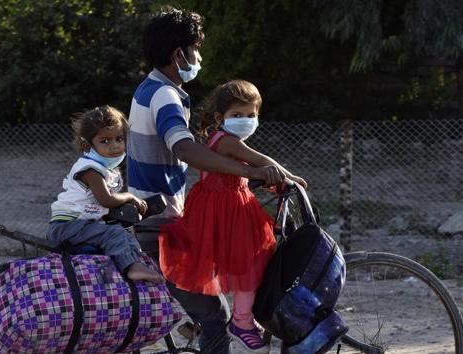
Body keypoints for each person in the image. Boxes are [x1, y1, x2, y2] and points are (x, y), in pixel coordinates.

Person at [127, 7, 285, 354]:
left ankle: (190, 326)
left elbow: (205, 148)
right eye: (196, 48)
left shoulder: (151, 89)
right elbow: (185, 149)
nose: (199, 57)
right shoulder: (164, 96)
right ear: (178, 54)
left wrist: (258, 169)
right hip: (157, 225)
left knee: (210, 289)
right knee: (217, 314)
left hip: (160, 216)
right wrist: (253, 172)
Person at [159, 80, 307, 354]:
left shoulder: (225, 139)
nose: (246, 120)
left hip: (226, 207)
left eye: (251, 115)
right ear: (220, 118)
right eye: (237, 115)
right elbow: (260, 160)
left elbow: (254, 168)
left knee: (244, 265)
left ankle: (234, 319)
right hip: (225, 211)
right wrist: (291, 177)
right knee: (252, 264)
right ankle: (241, 322)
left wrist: (277, 180)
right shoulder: (226, 141)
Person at [47, 105, 163, 283]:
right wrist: (130, 197)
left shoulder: (105, 168)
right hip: (67, 226)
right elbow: (106, 200)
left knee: (125, 233)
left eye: (119, 138)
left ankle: (135, 263)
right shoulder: (90, 169)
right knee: (114, 234)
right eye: (105, 141)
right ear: (87, 144)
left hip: (82, 224)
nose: (115, 145)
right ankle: (132, 268)